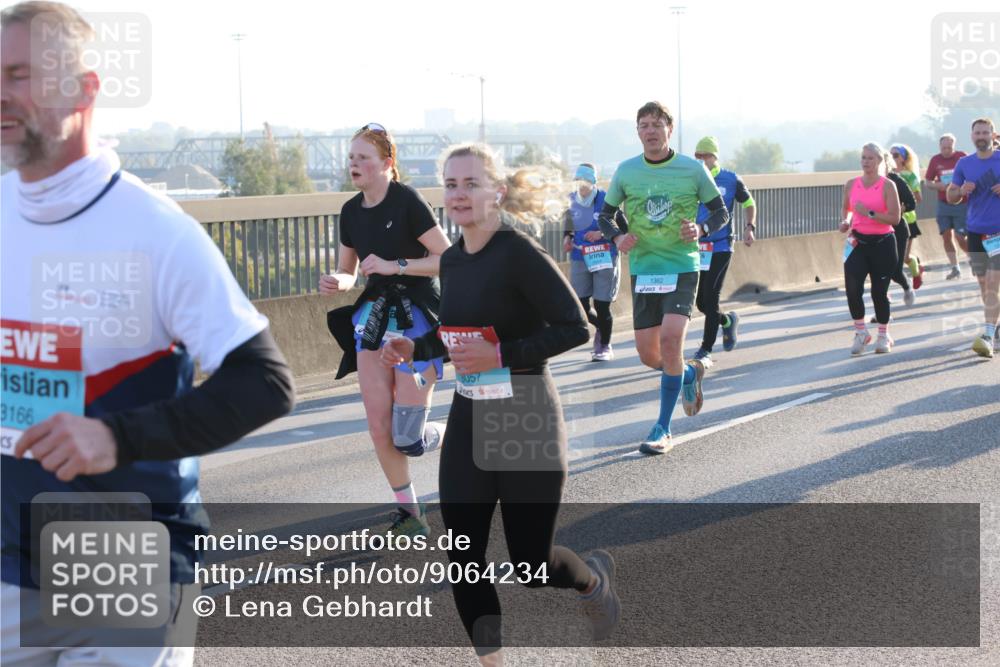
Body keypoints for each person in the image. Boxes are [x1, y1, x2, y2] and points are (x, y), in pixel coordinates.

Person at [1, 3, 295, 664]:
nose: (1, 91)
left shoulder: (157, 231)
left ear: (85, 88)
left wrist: (113, 436)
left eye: (21, 74)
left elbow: (266, 382)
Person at [381, 144, 621, 665]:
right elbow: (458, 334)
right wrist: (417, 348)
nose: (458, 195)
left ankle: (591, 580)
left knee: (532, 567)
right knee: (463, 559)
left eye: (471, 184)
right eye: (450, 184)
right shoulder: (450, 259)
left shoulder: (518, 252)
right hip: (470, 414)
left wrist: (501, 354)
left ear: (498, 192)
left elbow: (575, 327)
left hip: (525, 412)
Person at [321, 123, 451, 536]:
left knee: (408, 437)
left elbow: (447, 258)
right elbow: (349, 270)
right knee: (379, 425)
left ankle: (461, 429)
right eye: (351, 157)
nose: (354, 164)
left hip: (417, 318)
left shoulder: (407, 201)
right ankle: (410, 512)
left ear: (387, 164)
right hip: (374, 321)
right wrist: (337, 281)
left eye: (363, 158)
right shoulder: (349, 210)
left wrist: (397, 266)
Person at [596, 102, 728, 455]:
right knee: (648, 355)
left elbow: (721, 212)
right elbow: (605, 216)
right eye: (644, 125)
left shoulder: (693, 169)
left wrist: (699, 228)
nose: (650, 130)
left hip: (682, 266)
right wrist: (617, 238)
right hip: (644, 270)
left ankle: (662, 428)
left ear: (670, 128)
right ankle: (687, 374)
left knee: (671, 342)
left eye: (657, 124)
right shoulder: (626, 172)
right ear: (638, 132)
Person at [690, 136, 757, 365]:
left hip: (721, 245)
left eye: (705, 156)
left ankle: (705, 349)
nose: (700, 160)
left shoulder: (730, 179)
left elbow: (749, 203)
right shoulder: (692, 179)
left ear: (714, 157)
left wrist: (750, 227)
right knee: (701, 303)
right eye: (697, 156)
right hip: (698, 247)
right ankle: (727, 322)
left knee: (711, 295)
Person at [839, 143, 902, 355]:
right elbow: (847, 209)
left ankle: (883, 335)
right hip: (857, 242)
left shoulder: (887, 186)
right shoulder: (851, 184)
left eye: (870, 158)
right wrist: (845, 221)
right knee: (852, 288)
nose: (866, 162)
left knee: (878, 292)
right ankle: (861, 332)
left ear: (880, 161)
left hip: (883, 243)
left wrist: (870, 213)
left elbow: (895, 218)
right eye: (863, 158)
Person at [562, 162, 627, 361]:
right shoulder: (572, 200)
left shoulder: (607, 199)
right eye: (578, 181)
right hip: (580, 256)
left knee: (602, 305)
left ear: (593, 182)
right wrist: (568, 237)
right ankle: (601, 326)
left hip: (604, 256)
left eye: (586, 182)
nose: (581, 186)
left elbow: (624, 227)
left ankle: (604, 346)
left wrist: (601, 233)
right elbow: (569, 222)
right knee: (580, 304)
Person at [947, 117, 1000, 359]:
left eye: (985, 132)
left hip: (998, 232)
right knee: (983, 285)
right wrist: (960, 191)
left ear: (993, 135)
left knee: (992, 283)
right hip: (975, 231)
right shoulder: (964, 164)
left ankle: (988, 334)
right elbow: (951, 196)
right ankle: (995, 324)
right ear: (972, 136)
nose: (981, 136)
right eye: (977, 132)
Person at [924, 133, 969, 280]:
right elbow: (927, 182)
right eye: (944, 148)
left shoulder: (962, 157)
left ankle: (973, 258)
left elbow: (972, 175)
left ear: (954, 146)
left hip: (961, 203)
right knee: (946, 236)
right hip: (944, 203)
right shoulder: (935, 160)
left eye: (949, 147)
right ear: (939, 147)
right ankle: (955, 267)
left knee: (960, 236)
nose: (946, 150)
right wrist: (939, 186)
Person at [882, 151, 918, 310]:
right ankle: (881, 303)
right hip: (875, 230)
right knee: (877, 269)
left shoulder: (896, 180)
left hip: (897, 230)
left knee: (895, 270)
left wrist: (900, 209)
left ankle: (906, 286)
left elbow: (912, 202)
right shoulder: (866, 182)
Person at [889, 144, 925, 288]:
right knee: (891, 257)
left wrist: (905, 199)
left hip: (908, 220)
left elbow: (918, 197)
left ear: (904, 158)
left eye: (896, 155)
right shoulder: (887, 175)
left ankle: (916, 272)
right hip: (890, 219)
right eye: (890, 155)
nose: (893, 158)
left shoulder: (909, 175)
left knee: (904, 257)